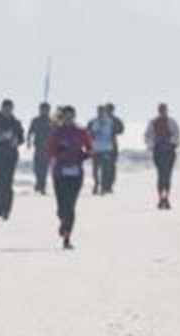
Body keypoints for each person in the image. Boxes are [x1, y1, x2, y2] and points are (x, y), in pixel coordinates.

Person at [46, 106, 94, 248]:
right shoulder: (57, 132)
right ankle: (63, 221)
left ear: (74, 117)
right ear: (63, 117)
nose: (69, 119)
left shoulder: (81, 132)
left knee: (70, 205)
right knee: (61, 207)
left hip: (76, 173)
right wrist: (57, 155)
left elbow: (90, 149)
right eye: (66, 116)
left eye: (71, 116)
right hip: (59, 173)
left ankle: (67, 236)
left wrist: (85, 155)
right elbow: (49, 151)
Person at [145, 103, 180, 209]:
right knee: (161, 175)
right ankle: (161, 198)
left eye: (164, 110)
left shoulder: (172, 122)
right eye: (161, 110)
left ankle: (166, 198)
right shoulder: (153, 122)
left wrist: (169, 141)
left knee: (167, 175)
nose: (162, 112)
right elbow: (147, 136)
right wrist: (155, 142)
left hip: (169, 152)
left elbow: (177, 135)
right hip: (158, 152)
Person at [88, 104, 119, 196]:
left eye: (102, 111)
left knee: (105, 169)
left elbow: (119, 129)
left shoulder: (110, 122)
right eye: (99, 111)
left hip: (106, 149)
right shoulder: (93, 122)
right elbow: (87, 132)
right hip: (95, 149)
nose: (101, 113)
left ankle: (103, 186)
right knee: (95, 169)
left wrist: (113, 134)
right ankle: (96, 183)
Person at [27, 102, 54, 196]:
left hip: (48, 148)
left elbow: (55, 134)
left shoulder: (51, 121)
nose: (44, 111)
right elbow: (30, 132)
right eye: (43, 109)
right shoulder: (36, 120)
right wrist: (28, 142)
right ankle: (38, 182)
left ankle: (42, 185)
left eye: (46, 109)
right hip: (38, 147)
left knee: (45, 168)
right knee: (37, 167)